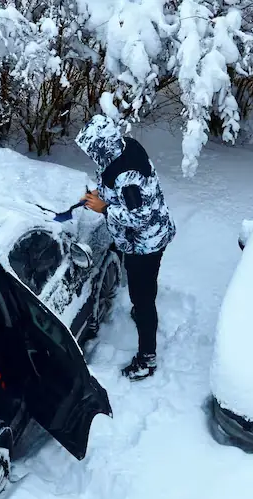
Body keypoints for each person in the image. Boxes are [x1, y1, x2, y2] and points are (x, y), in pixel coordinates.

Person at [75, 114, 176, 381]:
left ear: (102, 147)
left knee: (143, 298)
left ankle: (147, 359)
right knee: (142, 289)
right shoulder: (123, 147)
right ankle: (142, 311)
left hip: (146, 245)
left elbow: (139, 216)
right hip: (144, 238)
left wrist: (105, 208)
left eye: (92, 151)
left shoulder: (128, 177)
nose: (91, 156)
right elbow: (113, 182)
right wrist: (101, 195)